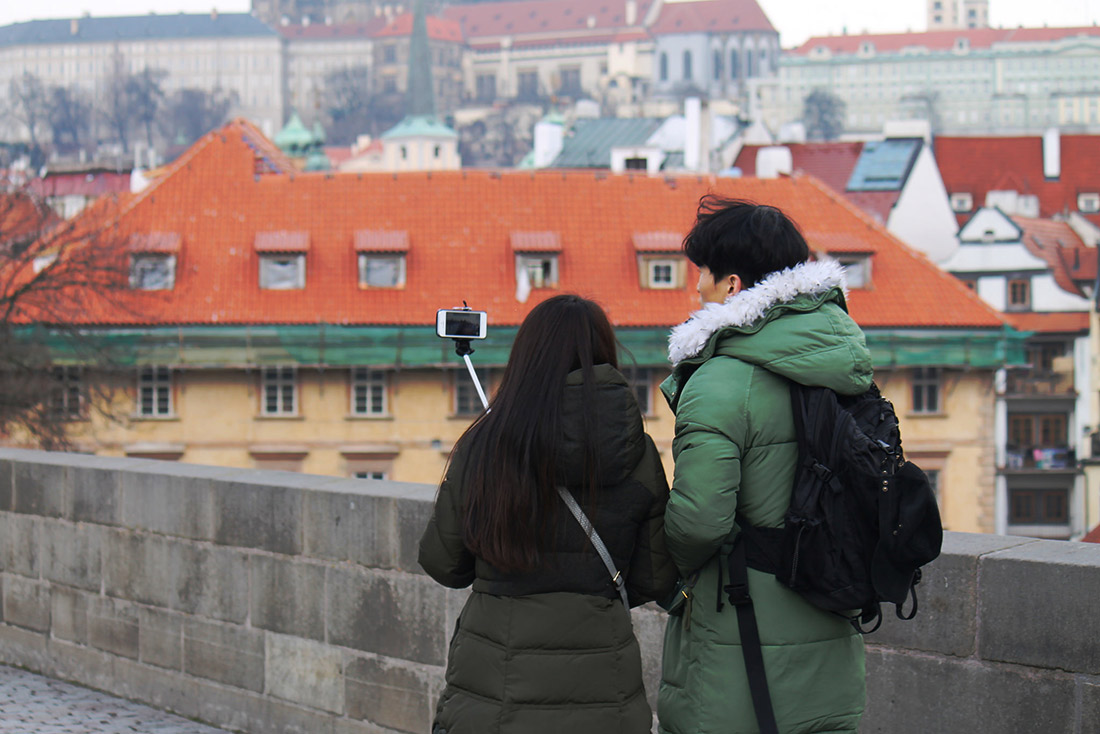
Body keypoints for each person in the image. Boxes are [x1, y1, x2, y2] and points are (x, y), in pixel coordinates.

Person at [657, 197, 872, 734]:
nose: (696, 289)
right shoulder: (844, 364)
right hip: (831, 608)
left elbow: (700, 519)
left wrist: (674, 576)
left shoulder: (719, 379)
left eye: (702, 275)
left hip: (742, 619)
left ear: (731, 286)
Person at [419, 294, 677, 734]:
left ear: (526, 357)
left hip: (491, 691)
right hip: (602, 689)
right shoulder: (639, 452)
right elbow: (655, 578)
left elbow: (445, 564)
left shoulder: (484, 446)